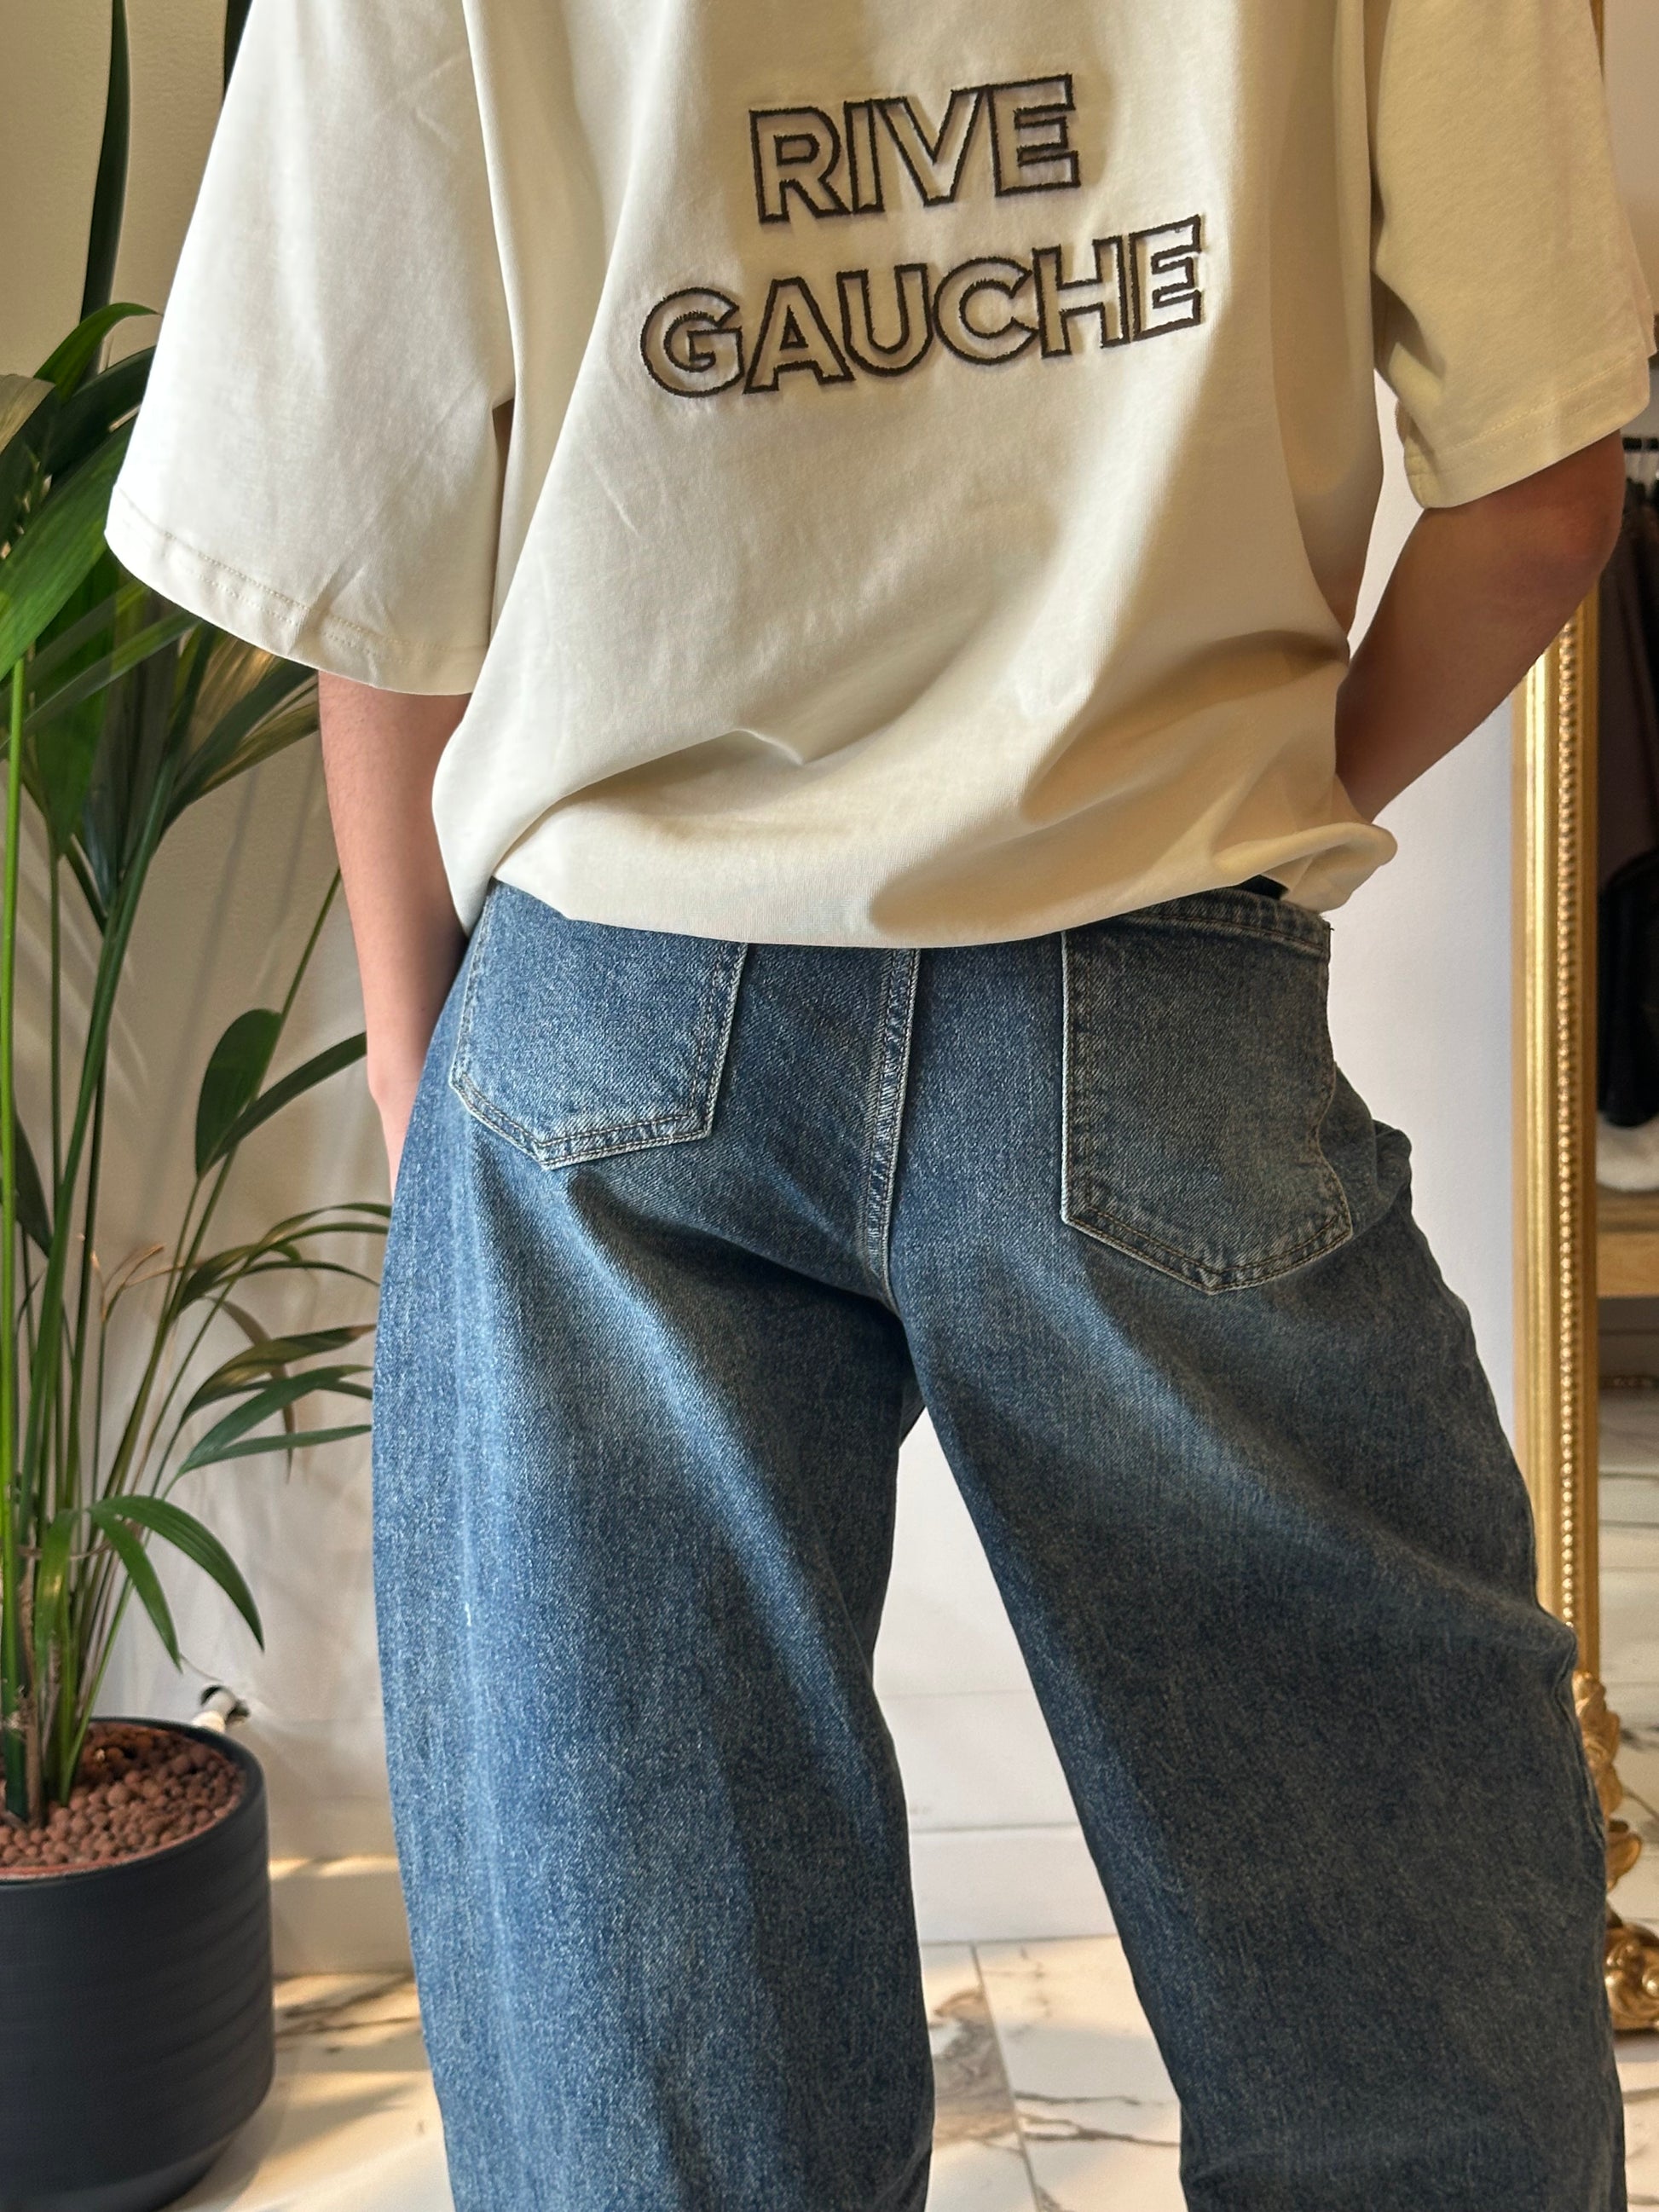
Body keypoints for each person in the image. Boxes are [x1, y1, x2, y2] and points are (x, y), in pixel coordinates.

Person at [107, 0, 1654, 2204]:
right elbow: (1543, 498)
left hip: (608, 1018)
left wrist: (430, 1050)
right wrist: (1224, 834)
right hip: (1153, 975)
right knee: (1414, 2069)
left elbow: (375, 544)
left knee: (653, 2114)